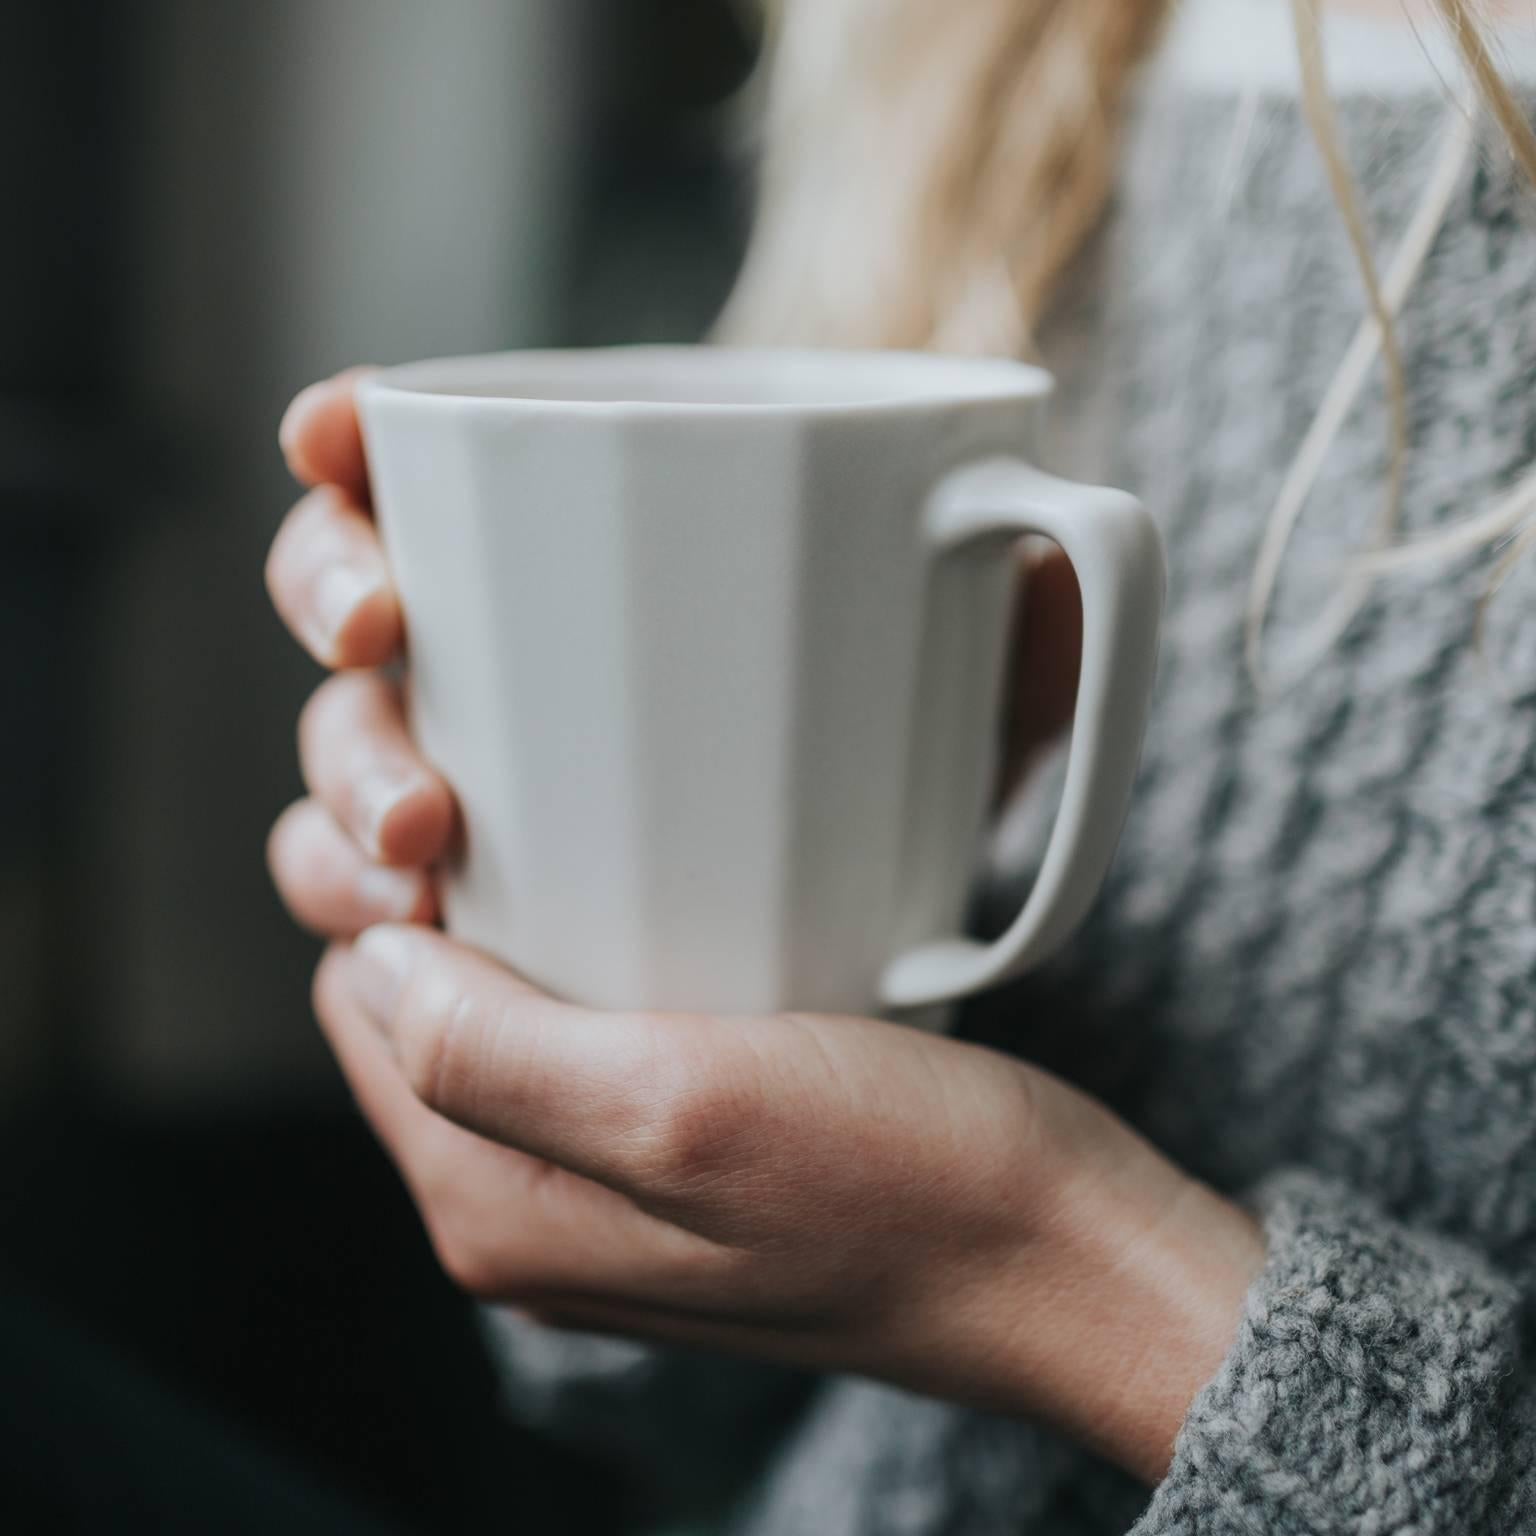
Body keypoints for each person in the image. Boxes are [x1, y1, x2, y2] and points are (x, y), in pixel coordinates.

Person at [265, 0, 1536, 1529]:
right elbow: (784, 1435)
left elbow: (985, 1287)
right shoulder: (966, 47)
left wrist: (1067, 1277)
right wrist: (625, 1191)